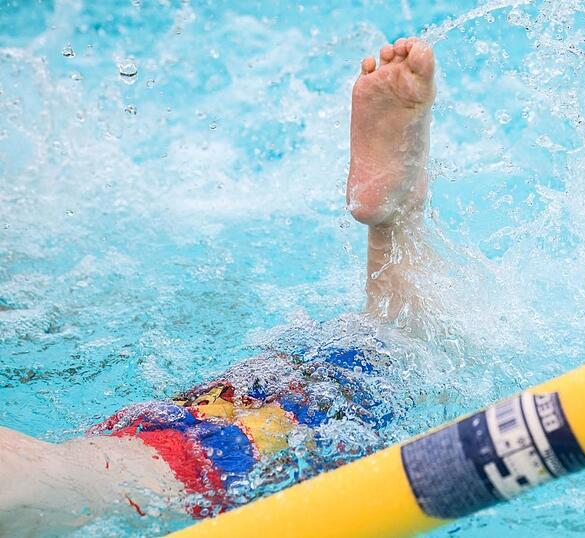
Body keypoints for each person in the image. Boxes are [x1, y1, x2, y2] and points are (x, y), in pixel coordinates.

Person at [0, 37, 437, 534]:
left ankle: (398, 223)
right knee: (393, 357)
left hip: (148, 469)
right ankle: (398, 223)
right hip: (133, 446)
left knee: (391, 370)